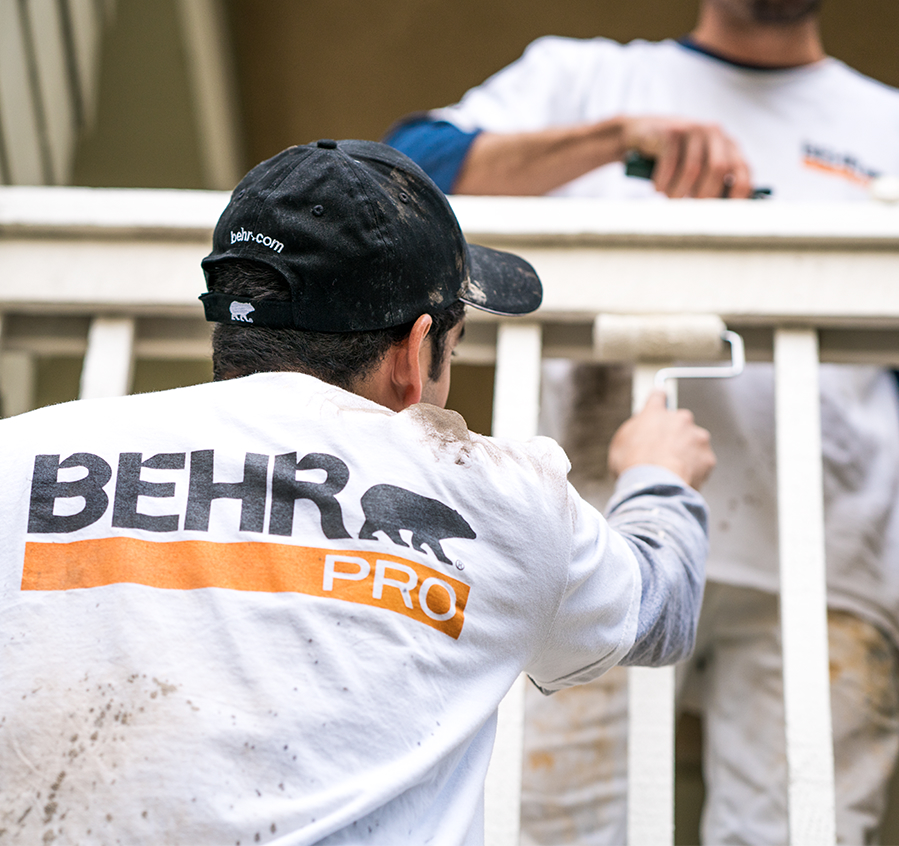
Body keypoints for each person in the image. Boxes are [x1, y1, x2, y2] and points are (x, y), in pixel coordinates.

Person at [0, 139, 716, 845]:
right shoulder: (497, 495)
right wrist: (657, 477)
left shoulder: (19, 457)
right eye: (454, 350)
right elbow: (660, 608)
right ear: (414, 352)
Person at [385, 1, 899, 844]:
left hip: (831, 552)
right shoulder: (584, 78)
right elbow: (399, 181)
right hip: (595, 537)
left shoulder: (883, 121)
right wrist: (614, 138)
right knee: (551, 830)